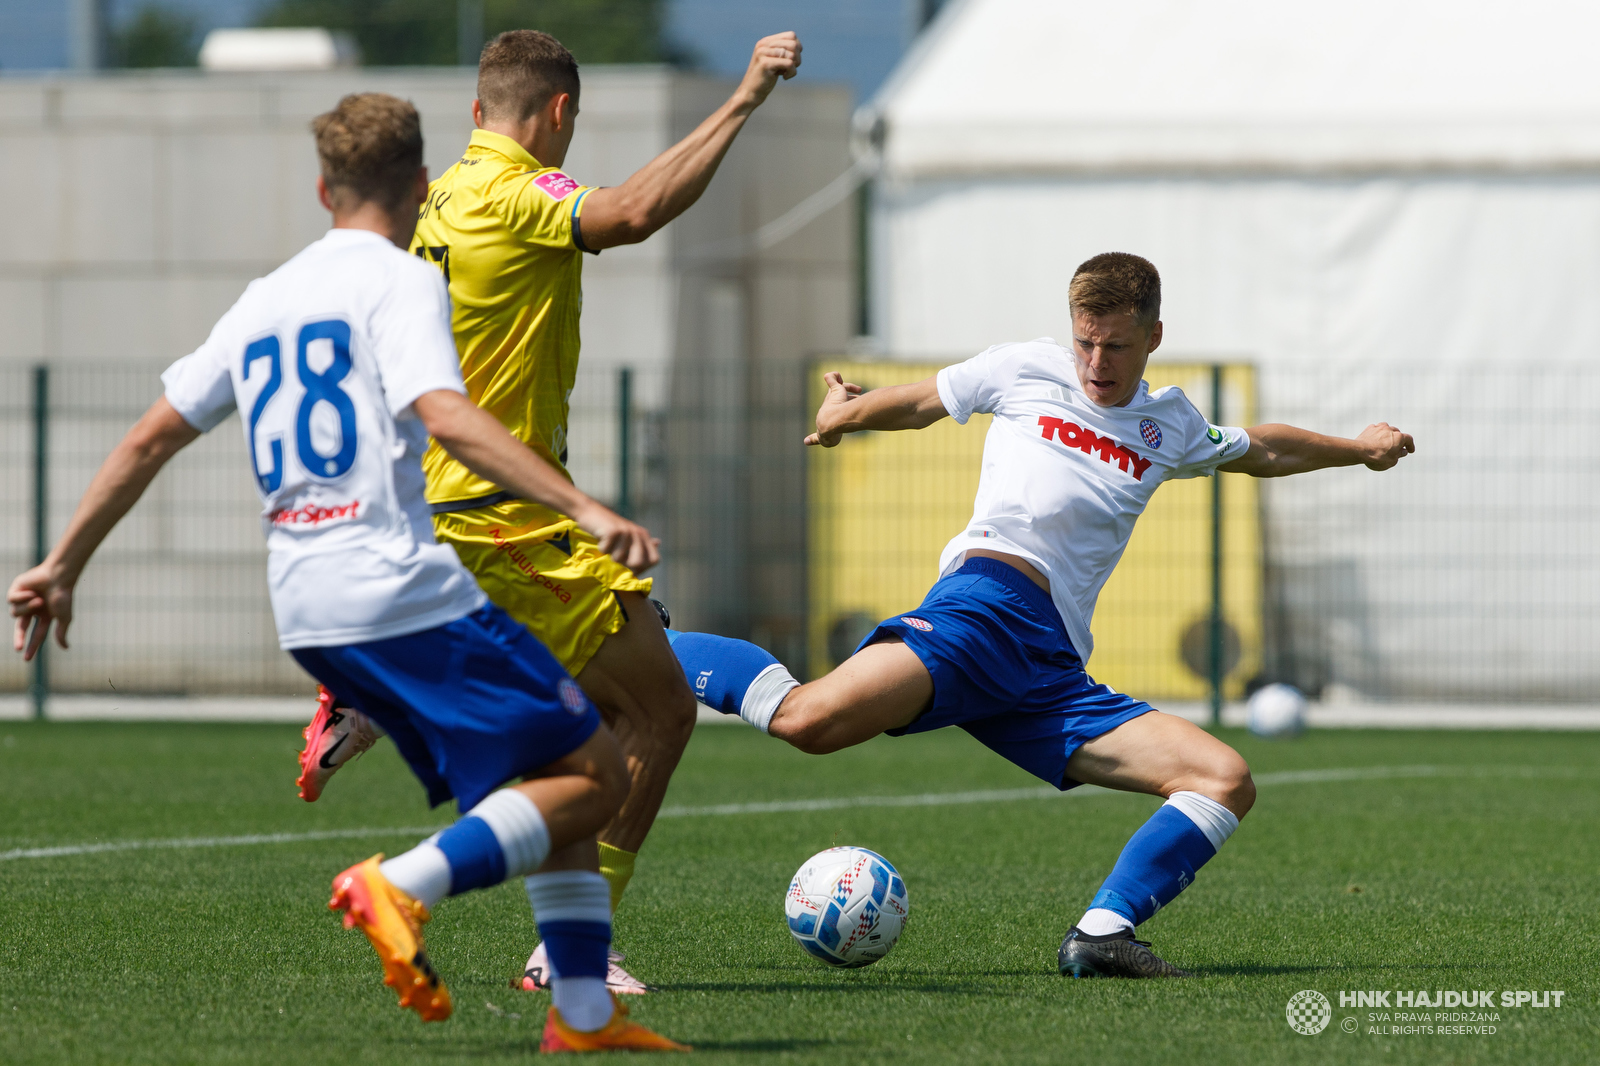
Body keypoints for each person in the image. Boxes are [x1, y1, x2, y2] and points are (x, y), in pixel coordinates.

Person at [7, 93, 685, 1052]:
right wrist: (586, 508)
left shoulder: (264, 298)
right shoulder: (399, 279)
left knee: (556, 757)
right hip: (396, 583)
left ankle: (582, 1013)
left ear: (322, 187)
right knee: (599, 773)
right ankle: (400, 885)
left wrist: (61, 562)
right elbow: (446, 414)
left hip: (304, 604)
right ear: (420, 186)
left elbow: (151, 435)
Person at [669, 252, 1416, 977]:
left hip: (1049, 668)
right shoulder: (1024, 367)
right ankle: (639, 635)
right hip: (983, 612)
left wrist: (1358, 449)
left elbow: (1264, 450)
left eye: (1117, 346)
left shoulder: (1171, 425)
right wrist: (849, 414)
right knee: (807, 721)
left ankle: (1102, 934)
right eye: (1086, 342)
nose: (1097, 363)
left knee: (1222, 778)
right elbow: (927, 400)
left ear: (1154, 337)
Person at [296, 27, 805, 995]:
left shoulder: (435, 194)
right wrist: (742, 99)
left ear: (477, 109)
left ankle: (381, 703)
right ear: (561, 113)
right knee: (657, 709)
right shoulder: (517, 193)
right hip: (505, 513)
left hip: (449, 505)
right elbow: (635, 210)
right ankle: (559, 942)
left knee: (600, 724)